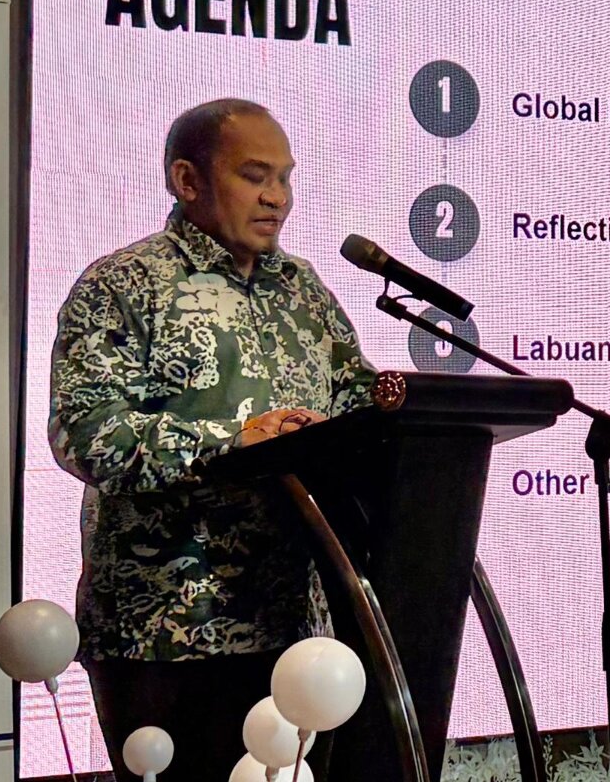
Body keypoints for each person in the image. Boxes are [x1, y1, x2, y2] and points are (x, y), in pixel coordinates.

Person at [49, 98, 372, 781]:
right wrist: (232, 441)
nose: (277, 197)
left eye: (284, 177)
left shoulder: (302, 291)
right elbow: (86, 432)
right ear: (187, 180)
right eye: (255, 176)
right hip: (165, 634)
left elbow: (357, 406)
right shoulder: (123, 284)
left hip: (292, 634)